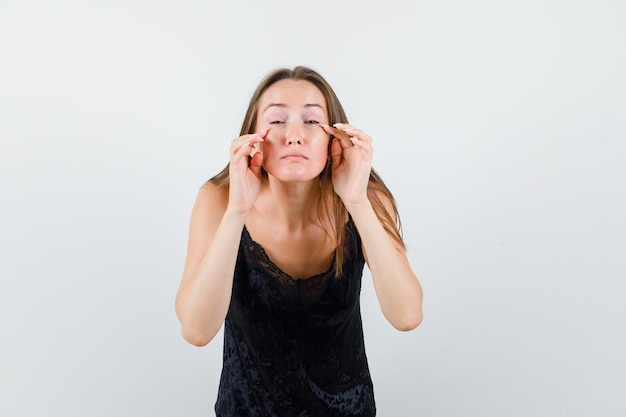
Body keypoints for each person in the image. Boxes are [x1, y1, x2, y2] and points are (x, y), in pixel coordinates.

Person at [175, 66, 423, 416]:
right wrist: (237, 212)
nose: (294, 135)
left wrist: (356, 202)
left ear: (334, 137)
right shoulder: (218, 199)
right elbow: (196, 330)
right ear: (253, 137)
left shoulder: (366, 199)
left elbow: (407, 315)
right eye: (276, 121)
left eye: (311, 122)